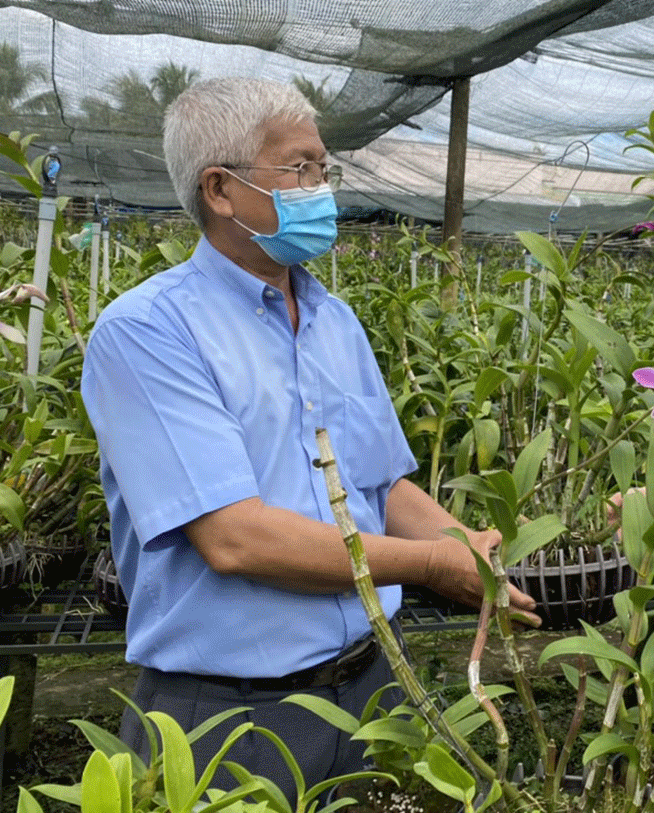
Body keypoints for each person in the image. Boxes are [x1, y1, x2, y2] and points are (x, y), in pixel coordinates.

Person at [79, 77, 538, 801]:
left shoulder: (334, 321)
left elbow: (381, 487)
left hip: (373, 685)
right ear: (221, 190)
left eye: (325, 169)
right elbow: (236, 538)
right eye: (300, 169)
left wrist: (466, 550)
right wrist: (428, 565)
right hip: (231, 713)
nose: (322, 188)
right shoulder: (149, 332)